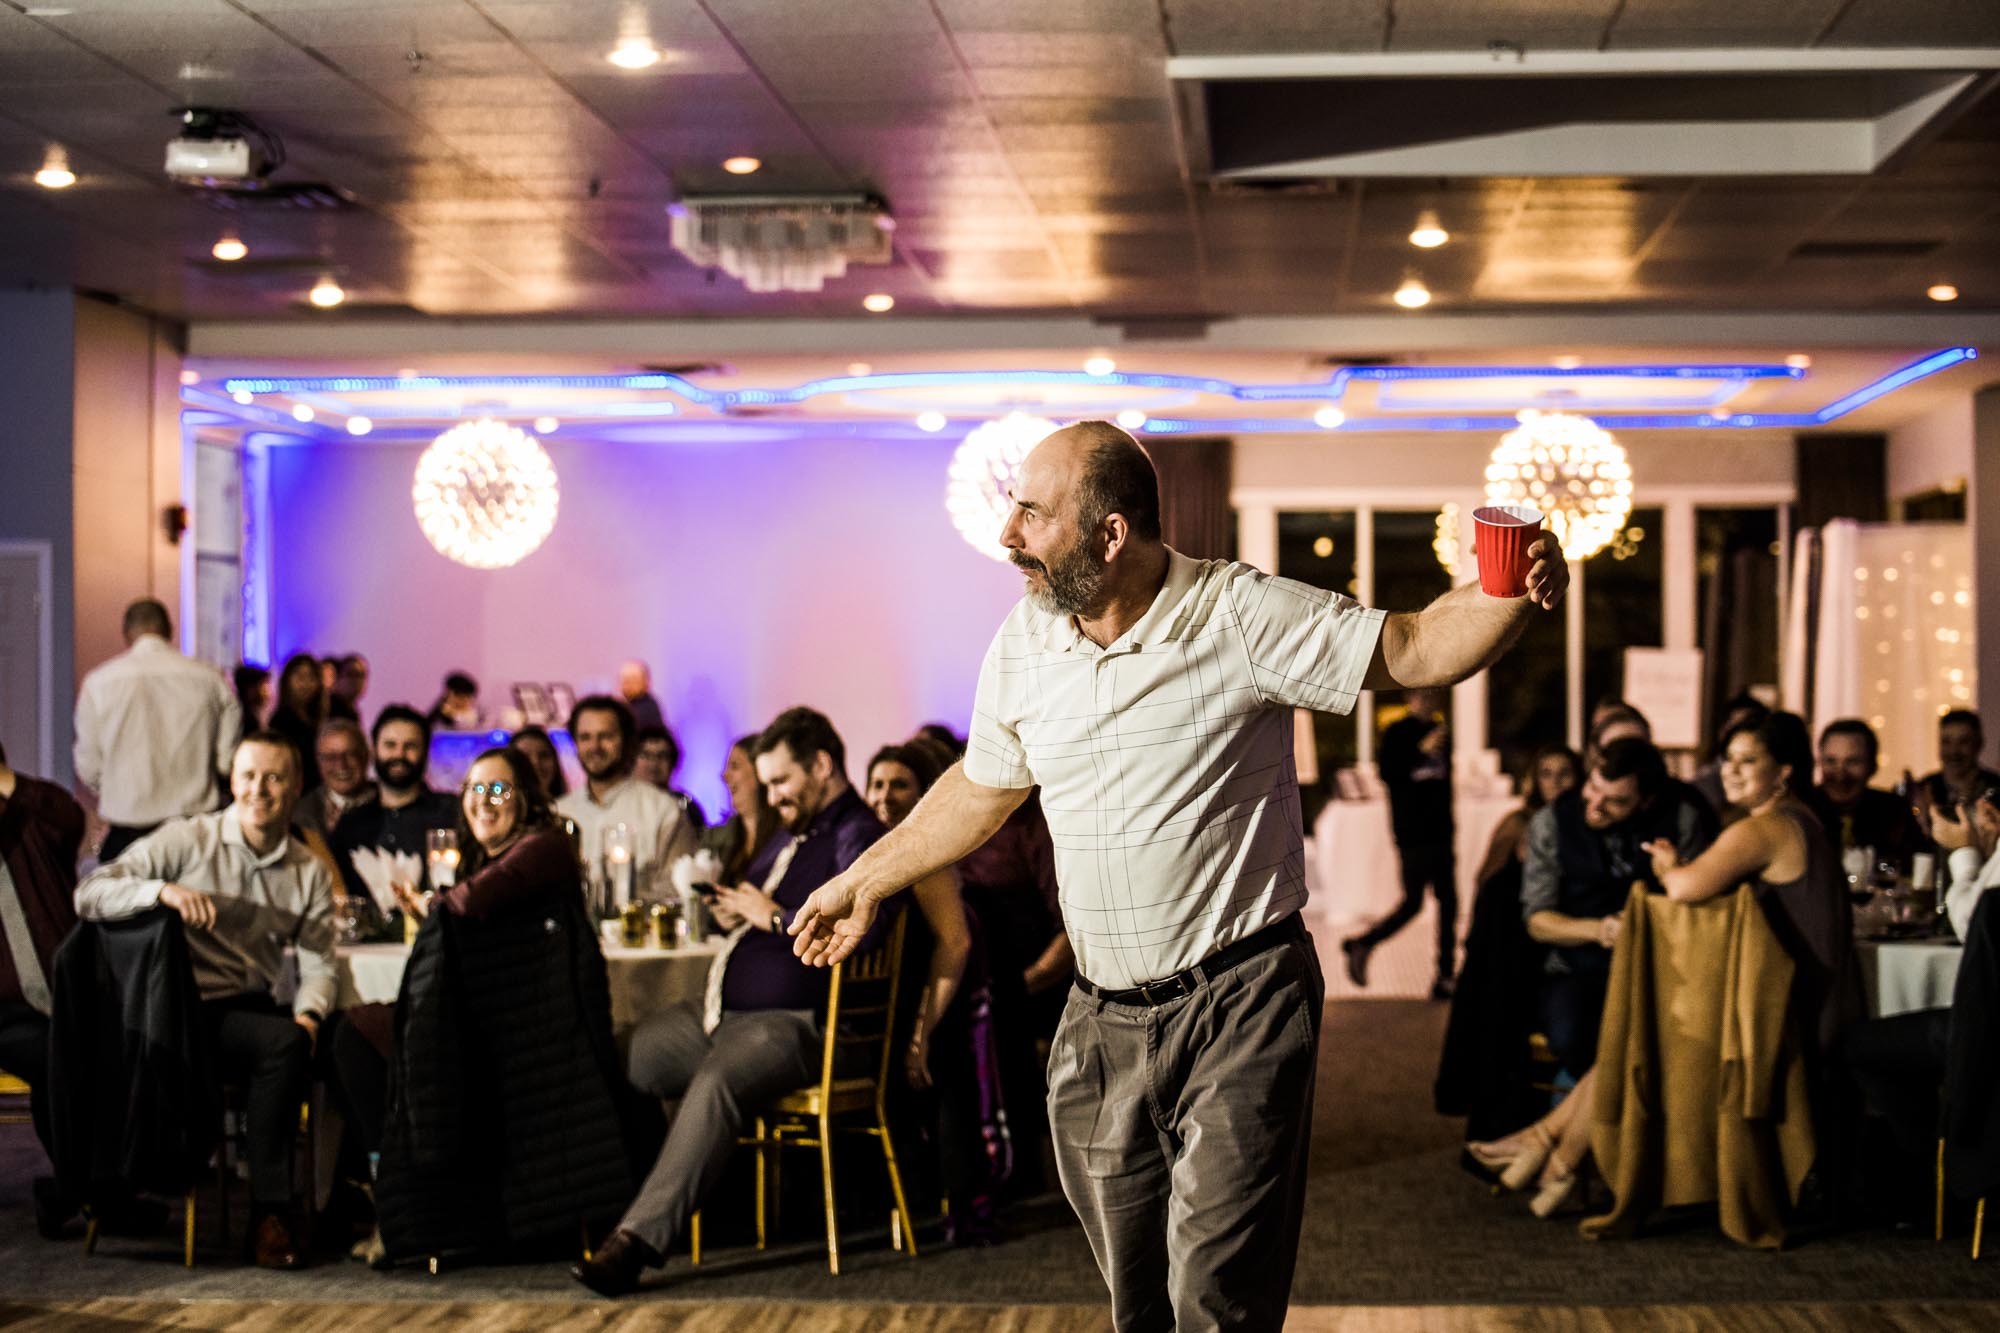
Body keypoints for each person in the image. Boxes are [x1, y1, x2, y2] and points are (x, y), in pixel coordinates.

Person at [784, 421, 1568, 1331]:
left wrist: (1510, 584)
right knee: (1139, 1303)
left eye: (1032, 515)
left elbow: (1413, 647)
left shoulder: (1238, 613)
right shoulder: (1026, 640)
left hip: (1242, 1003)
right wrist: (864, 878)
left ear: (1111, 533)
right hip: (1100, 1020)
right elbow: (983, 785)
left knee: (1215, 1300)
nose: (1008, 538)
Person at [1472, 712, 1854, 1218]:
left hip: (1786, 1016)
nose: (1732, 773)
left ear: (1783, 771)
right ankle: (1555, 1153)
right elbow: (1536, 918)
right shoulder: (1798, 818)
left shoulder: (1763, 828)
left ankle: (1551, 1148)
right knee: (1632, 1027)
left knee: (1642, 1034)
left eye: (1749, 762)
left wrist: (1669, 867)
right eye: (1729, 761)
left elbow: (1684, 888)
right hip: (1788, 998)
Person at [572, 706, 894, 1296]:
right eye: (766, 783)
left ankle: (635, 1242)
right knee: (620, 1053)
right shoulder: (794, 835)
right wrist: (734, 910)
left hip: (800, 1025)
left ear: (822, 765)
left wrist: (768, 915)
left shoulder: (860, 833)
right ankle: (644, 1202)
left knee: (717, 1079)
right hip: (726, 1015)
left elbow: (861, 929)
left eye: (781, 781)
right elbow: (753, 905)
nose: (772, 795)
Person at [72, 730, 336, 1268]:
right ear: (230, 782)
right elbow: (89, 893)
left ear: (296, 786)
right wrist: (160, 891)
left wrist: (311, 1013)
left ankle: (338, 1204)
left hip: (247, 1011)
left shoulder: (307, 869)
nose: (258, 789)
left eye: (274, 777)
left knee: (315, 1039)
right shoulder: (189, 840)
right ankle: (271, 1214)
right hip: (172, 1016)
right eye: (247, 776)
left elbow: (320, 961)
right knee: (283, 1044)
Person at [1843, 788, 2000, 1229]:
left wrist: (1965, 853)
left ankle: (1934, 1170)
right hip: (1980, 1021)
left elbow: (1976, 925)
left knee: (1860, 1044)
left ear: (1988, 814)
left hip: (1986, 1029)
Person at [1518, 738, 1716, 1083]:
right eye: (1593, 788)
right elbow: (1537, 921)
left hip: (1662, 967)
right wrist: (1601, 930)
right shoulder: (1552, 822)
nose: (1595, 806)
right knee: (1573, 1037)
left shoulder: (1681, 818)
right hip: (1578, 968)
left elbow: (1701, 912)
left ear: (1647, 799)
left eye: (1616, 801)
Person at [864, 743, 994, 1242]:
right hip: (905, 1002)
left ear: (924, 793)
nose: (885, 796)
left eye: (899, 785)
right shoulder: (878, 849)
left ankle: (960, 1206)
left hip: (942, 1002)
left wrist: (922, 1031)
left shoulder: (928, 854)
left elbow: (955, 943)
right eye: (877, 784)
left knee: (943, 1082)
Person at [73, 599, 241, 862]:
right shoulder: (210, 679)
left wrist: (120, 789)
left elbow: (89, 768)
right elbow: (227, 762)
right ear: (169, 630)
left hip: (127, 832)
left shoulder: (99, 683)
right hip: (194, 832)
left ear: (127, 633)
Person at [0, 740, 83, 1184]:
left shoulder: (31, 826)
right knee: (58, 1056)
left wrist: (8, 782)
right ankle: (85, 1191)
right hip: (5, 1012)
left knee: (78, 1049)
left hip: (57, 997)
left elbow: (69, 819)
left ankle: (80, 1189)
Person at [1343, 687, 1458, 999]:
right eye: (1423, 696)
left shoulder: (1442, 732)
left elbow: (1445, 784)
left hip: (1440, 832)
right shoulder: (1398, 732)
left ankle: (1446, 975)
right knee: (1413, 903)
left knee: (1449, 903)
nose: (1429, 701)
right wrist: (1421, 750)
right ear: (1410, 699)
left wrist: (1450, 825)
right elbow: (1389, 773)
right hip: (1413, 834)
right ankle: (1363, 943)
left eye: (1433, 697)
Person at [555, 697, 698, 912]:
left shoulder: (663, 810)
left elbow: (681, 890)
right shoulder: (558, 812)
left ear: (627, 742)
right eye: (585, 737)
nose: (595, 746)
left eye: (606, 737)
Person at [328, 706, 459, 915]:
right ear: (373, 750)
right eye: (390, 745)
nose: (399, 754)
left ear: (425, 752)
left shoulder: (451, 813)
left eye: (410, 746)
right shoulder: (351, 824)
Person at [1808, 718, 1928, 871]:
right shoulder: (1804, 809)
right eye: (1831, 761)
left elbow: (1913, 867)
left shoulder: (1893, 811)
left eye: (1852, 762)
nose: (1840, 774)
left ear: (1873, 766)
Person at [1470, 743, 1579, 889]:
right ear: (1536, 780)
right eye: (1546, 774)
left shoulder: (1583, 822)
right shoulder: (1518, 822)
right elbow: (1487, 883)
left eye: (1564, 773)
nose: (1555, 782)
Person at [702, 733, 777, 883]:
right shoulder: (716, 838)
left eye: (734, 766)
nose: (724, 775)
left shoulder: (787, 835)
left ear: (760, 772)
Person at [293, 718, 377, 840]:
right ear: (318, 762)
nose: (341, 764)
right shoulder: (300, 815)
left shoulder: (390, 803)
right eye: (330, 757)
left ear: (366, 756)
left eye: (350, 754)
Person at [1692, 692, 1769, 817]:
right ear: (1722, 731)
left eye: (1748, 760)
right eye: (1729, 758)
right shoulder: (1703, 785)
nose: (1733, 770)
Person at [1920, 709, 2000, 823]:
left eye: (1963, 742)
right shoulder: (1925, 789)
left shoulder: (1996, 789)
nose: (1954, 751)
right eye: (1946, 742)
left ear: (1979, 744)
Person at [268, 653, 327, 794]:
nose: (305, 684)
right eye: (300, 677)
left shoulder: (318, 718)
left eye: (311, 678)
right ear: (287, 681)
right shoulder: (282, 720)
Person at [635, 723, 707, 830]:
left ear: (673, 763)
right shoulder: (621, 803)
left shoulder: (686, 807)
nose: (653, 763)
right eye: (646, 755)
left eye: (662, 756)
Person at [510, 724, 569, 800]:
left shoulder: (570, 808)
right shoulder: (498, 811)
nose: (535, 762)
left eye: (544, 755)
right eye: (525, 756)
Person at [618, 660, 667, 735]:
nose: (627, 685)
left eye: (633, 680)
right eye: (625, 680)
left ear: (645, 682)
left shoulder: (647, 709)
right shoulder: (626, 706)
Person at [328, 653, 369, 725]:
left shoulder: (352, 710)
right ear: (337, 678)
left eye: (362, 675)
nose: (357, 681)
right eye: (351, 674)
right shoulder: (330, 709)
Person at [233, 664, 272, 737]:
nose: (267, 692)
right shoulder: (246, 721)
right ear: (251, 690)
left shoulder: (252, 715)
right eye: (263, 686)